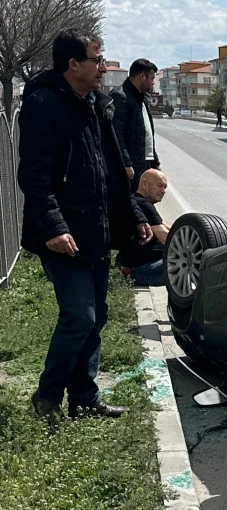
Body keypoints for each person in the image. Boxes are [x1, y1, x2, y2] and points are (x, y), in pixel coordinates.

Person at [17, 28, 153, 424]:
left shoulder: (96, 105)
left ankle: (83, 397)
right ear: (73, 63)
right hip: (64, 235)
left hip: (95, 230)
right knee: (80, 316)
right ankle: (46, 398)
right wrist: (54, 227)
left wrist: (137, 215)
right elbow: (35, 176)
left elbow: (112, 171)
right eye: (97, 59)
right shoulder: (43, 105)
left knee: (98, 316)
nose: (103, 67)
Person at [110, 58, 161, 193]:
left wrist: (155, 162)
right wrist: (126, 163)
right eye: (151, 78)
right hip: (132, 167)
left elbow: (146, 135)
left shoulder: (142, 98)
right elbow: (117, 134)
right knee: (132, 205)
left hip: (145, 163)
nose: (153, 82)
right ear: (142, 77)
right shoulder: (120, 97)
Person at [118, 169, 170, 286]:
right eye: (159, 186)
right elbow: (166, 237)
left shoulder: (139, 202)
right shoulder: (142, 203)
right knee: (193, 267)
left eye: (165, 187)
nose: (163, 191)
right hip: (140, 270)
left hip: (136, 268)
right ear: (144, 184)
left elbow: (169, 228)